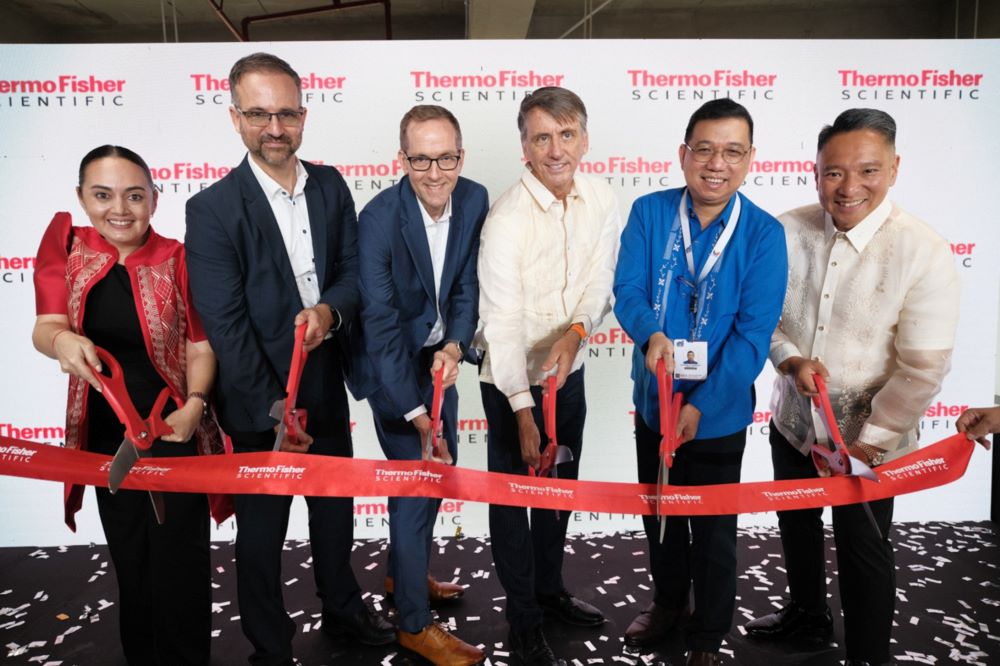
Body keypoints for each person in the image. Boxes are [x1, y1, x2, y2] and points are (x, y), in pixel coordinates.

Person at [184, 52, 392, 666]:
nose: (274, 127)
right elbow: (225, 325)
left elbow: (353, 274)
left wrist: (330, 311)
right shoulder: (212, 209)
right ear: (234, 117)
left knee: (335, 512)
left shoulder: (330, 185)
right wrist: (277, 407)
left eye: (286, 113)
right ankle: (270, 648)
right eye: (258, 113)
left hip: (326, 380)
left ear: (304, 115)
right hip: (258, 401)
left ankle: (344, 612)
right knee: (262, 533)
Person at [744, 108, 961, 666]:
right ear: (815, 172)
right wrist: (790, 361)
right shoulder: (785, 231)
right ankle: (808, 618)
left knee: (864, 549)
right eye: (833, 172)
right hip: (794, 423)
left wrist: (869, 443)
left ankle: (867, 654)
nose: (848, 187)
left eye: (866, 170)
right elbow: (760, 318)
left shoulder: (924, 251)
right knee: (795, 524)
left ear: (893, 168)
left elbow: (922, 368)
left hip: (870, 443)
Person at [32, 144, 228, 665]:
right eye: (103, 195)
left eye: (135, 196)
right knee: (131, 561)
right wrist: (61, 343)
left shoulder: (180, 258)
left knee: (181, 565)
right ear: (81, 198)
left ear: (154, 200)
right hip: (104, 437)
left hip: (175, 431)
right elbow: (46, 326)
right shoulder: (66, 247)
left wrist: (195, 404)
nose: (120, 209)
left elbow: (200, 346)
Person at [613, 99, 788, 666]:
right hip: (654, 401)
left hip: (720, 412)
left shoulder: (763, 234)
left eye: (733, 151)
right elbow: (629, 292)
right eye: (705, 149)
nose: (717, 163)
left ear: (750, 159)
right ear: (684, 154)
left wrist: (704, 407)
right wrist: (650, 335)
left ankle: (709, 631)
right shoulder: (650, 212)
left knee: (713, 532)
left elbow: (753, 336)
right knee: (659, 511)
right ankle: (668, 605)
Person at [476, 86, 620, 666]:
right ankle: (522, 613)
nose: (556, 149)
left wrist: (578, 332)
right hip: (509, 383)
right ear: (525, 149)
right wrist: (522, 406)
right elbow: (501, 323)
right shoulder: (506, 219)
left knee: (559, 487)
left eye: (566, 135)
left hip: (571, 370)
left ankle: (550, 588)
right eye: (542, 138)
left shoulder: (603, 197)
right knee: (513, 498)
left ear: (584, 139)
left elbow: (600, 281)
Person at [349, 104, 488, 664]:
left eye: (446, 157)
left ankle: (402, 576)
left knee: (434, 476)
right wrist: (416, 411)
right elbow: (379, 324)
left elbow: (465, 287)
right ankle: (411, 623)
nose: (435, 172)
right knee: (417, 487)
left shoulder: (475, 198)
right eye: (421, 159)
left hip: (438, 358)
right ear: (401, 158)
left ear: (461, 155)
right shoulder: (378, 219)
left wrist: (455, 345)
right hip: (390, 369)